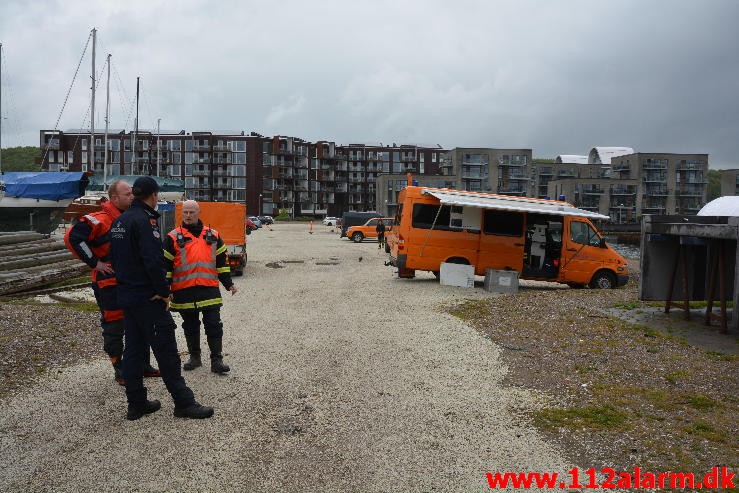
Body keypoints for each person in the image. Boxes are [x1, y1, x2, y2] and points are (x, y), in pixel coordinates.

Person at [109, 176, 213, 421]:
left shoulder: (119, 221)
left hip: (127, 295)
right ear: (154, 195)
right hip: (147, 297)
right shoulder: (146, 221)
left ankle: (136, 403)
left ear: (135, 194)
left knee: (133, 352)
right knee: (166, 350)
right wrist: (163, 291)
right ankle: (184, 402)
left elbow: (117, 258)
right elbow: (153, 260)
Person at [65, 180, 160, 385]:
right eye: (128, 194)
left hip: (131, 282)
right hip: (109, 283)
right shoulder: (99, 219)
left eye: (133, 193)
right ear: (114, 197)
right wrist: (95, 263)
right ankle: (120, 368)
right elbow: (72, 237)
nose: (132, 196)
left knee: (140, 323)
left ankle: (143, 364)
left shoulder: (133, 217)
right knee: (115, 325)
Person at [163, 200, 237, 374]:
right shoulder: (172, 237)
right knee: (190, 326)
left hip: (208, 289)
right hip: (184, 292)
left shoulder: (213, 235)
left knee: (214, 325)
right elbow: (165, 266)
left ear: (199, 213)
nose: (188, 216)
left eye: (192, 212)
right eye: (186, 212)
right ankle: (194, 357)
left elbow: (222, 263)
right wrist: (166, 289)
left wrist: (229, 284)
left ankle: (216, 360)